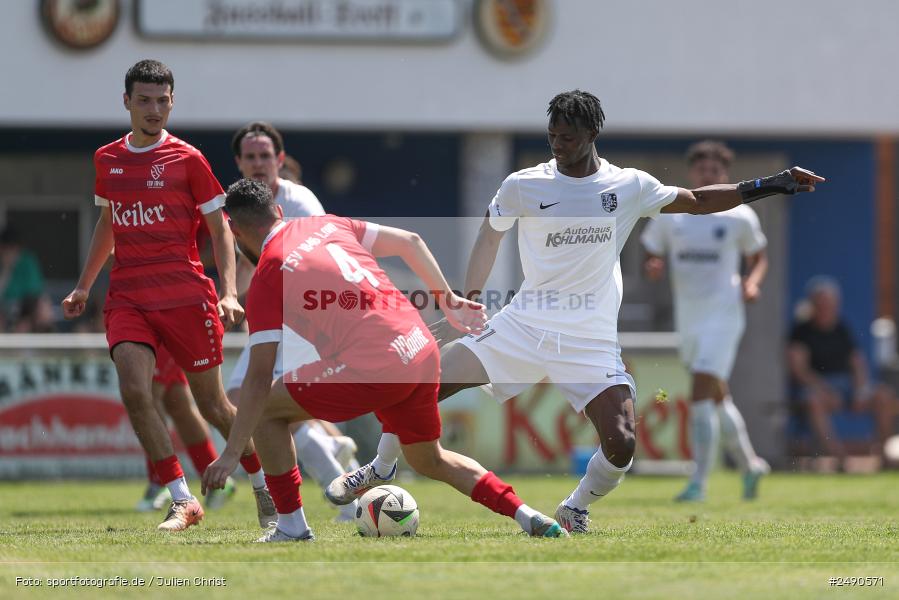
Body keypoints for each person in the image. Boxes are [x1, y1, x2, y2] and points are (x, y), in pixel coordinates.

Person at [344, 90, 824, 534]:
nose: (557, 144)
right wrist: (469, 296)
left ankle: (575, 506)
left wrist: (773, 184)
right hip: (522, 326)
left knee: (622, 444)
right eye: (552, 135)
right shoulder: (524, 185)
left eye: (567, 136)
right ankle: (384, 464)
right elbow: (490, 235)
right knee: (420, 380)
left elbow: (698, 202)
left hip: (589, 341)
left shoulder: (629, 185)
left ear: (591, 135)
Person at [200, 178, 567, 542]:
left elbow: (258, 375)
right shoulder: (326, 223)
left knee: (267, 409)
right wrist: (448, 301)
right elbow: (411, 241)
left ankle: (292, 527)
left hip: (376, 362)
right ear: (278, 212)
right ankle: (528, 515)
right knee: (429, 459)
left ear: (233, 230)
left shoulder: (268, 272)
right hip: (419, 347)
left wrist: (232, 453)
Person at [61, 59, 274, 532]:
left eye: (162, 100)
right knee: (136, 390)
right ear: (127, 102)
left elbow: (221, 230)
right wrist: (83, 285)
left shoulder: (188, 160)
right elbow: (108, 223)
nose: (154, 109)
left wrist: (230, 291)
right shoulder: (107, 159)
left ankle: (265, 484)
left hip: (186, 298)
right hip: (129, 296)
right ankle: (182, 497)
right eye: (144, 100)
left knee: (214, 406)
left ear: (172, 102)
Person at [228, 121, 359, 522]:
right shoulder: (242, 206)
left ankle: (342, 497)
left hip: (307, 319)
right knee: (241, 397)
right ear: (238, 162)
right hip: (277, 320)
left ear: (280, 160)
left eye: (265, 155)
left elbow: (323, 259)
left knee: (264, 403)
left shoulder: (301, 202)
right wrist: (231, 297)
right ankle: (333, 460)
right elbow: (252, 266)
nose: (258, 163)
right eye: (249, 156)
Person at [641, 141, 771, 502]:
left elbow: (759, 256)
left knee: (700, 390)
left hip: (724, 315)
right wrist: (653, 266)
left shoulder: (739, 215)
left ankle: (698, 482)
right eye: (702, 171)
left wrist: (752, 282)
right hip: (689, 318)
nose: (707, 175)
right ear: (692, 174)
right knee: (716, 399)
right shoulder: (673, 214)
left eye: (714, 171)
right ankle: (750, 464)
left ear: (724, 176)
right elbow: (651, 251)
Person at [788, 276, 899, 467]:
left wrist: (860, 389)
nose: (826, 308)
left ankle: (883, 457)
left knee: (883, 396)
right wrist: (824, 390)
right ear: (813, 304)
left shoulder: (842, 329)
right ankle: (839, 459)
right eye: (821, 303)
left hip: (847, 386)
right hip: (819, 388)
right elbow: (799, 370)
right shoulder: (800, 332)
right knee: (813, 401)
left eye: (830, 304)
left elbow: (857, 363)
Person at [136, 344, 236, 512]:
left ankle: (161, 480)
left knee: (150, 393)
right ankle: (215, 479)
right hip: (153, 326)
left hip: (167, 324)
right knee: (177, 401)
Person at [0, 226, 45, 324]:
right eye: (5, 248)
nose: (9, 252)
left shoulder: (27, 261)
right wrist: (6, 270)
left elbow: (34, 291)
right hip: (3, 308)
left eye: (12, 248)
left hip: (24, 308)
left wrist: (21, 312)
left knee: (43, 309)